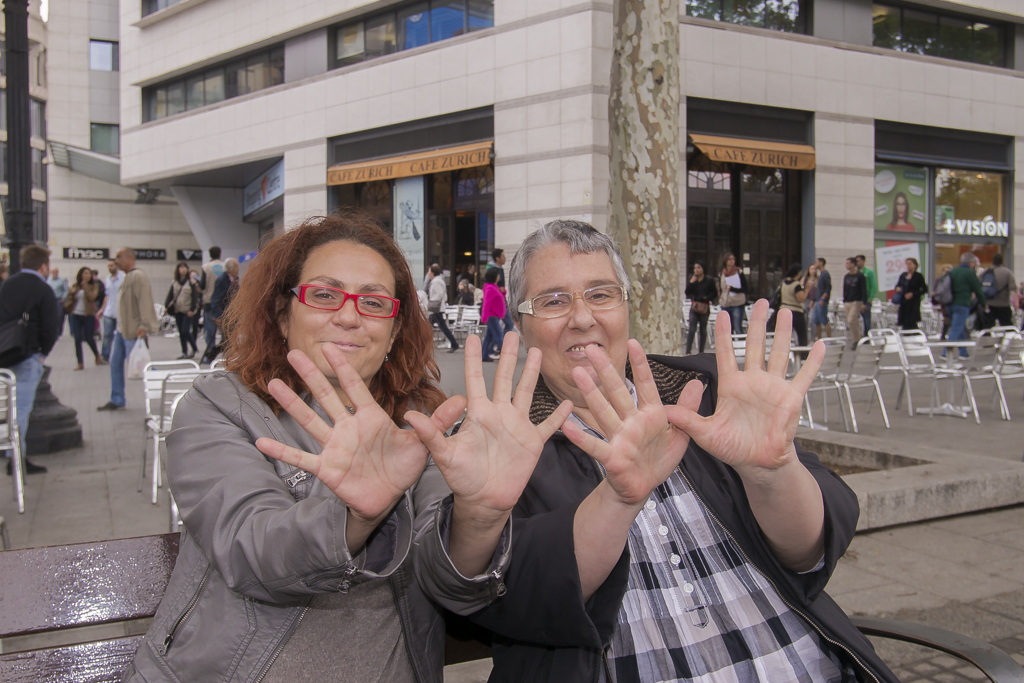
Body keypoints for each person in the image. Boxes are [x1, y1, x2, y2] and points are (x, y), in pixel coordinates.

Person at [425, 219, 897, 683]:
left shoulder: (706, 390)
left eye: (601, 294)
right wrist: (616, 499)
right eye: (553, 301)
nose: (583, 317)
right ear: (519, 322)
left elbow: (808, 553)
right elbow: (492, 595)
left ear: (627, 306)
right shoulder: (503, 441)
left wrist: (772, 470)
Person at [124, 212, 570, 683]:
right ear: (281, 314)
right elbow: (251, 552)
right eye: (324, 294)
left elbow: (451, 584)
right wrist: (352, 517)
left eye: (374, 303)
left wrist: (480, 514)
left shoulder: (421, 420)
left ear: (395, 329)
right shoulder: (221, 405)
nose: (350, 315)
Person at [1, 246, 60, 474]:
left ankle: (12, 453)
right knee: (21, 410)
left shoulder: (7, 285)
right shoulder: (43, 289)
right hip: (27, 357)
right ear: (43, 266)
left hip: (5, 354)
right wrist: (42, 353)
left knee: (6, 407)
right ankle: (17, 459)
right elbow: (50, 327)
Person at [98, 248, 159, 411]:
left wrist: (144, 326)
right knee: (115, 363)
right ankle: (117, 399)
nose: (116, 261)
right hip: (122, 330)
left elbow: (145, 301)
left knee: (144, 366)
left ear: (130, 258)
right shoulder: (127, 277)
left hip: (133, 331)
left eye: (119, 257)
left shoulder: (138, 276)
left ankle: (163, 387)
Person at [947, 252, 987, 357]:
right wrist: (984, 304)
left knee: (959, 328)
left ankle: (963, 352)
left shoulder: (953, 271)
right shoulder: (969, 273)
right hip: (962, 304)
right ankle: (946, 353)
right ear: (971, 263)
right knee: (956, 329)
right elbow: (978, 291)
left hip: (950, 304)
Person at [65, 266, 103, 370]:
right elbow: (70, 298)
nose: (87, 275)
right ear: (81, 275)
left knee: (88, 337)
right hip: (76, 314)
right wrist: (71, 293)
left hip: (88, 315)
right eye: (85, 273)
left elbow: (92, 297)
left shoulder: (94, 286)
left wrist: (85, 286)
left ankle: (96, 354)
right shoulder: (76, 285)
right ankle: (80, 362)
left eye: (88, 273)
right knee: (77, 338)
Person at [202, 258, 239, 363]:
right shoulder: (222, 280)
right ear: (229, 268)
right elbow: (216, 298)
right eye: (236, 267)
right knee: (227, 340)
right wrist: (217, 316)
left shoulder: (233, 279)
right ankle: (212, 356)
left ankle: (214, 356)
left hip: (232, 315)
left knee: (228, 339)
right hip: (224, 315)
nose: (238, 269)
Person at [165, 261, 201, 359]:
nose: (183, 269)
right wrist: (166, 306)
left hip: (187, 310)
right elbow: (170, 295)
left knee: (185, 330)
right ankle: (184, 352)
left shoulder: (191, 282)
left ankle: (194, 347)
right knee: (181, 332)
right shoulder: (175, 282)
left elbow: (194, 297)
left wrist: (192, 309)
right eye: (181, 267)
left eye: (185, 267)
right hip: (178, 310)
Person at [768, 263, 810, 347]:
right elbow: (801, 298)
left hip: (783, 309)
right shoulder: (796, 285)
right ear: (798, 273)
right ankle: (803, 355)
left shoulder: (783, 283)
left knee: (783, 334)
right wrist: (807, 289)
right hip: (796, 312)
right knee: (802, 335)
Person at [684, 260, 718, 354]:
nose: (696, 270)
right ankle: (688, 351)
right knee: (692, 328)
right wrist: (691, 283)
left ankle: (701, 352)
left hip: (704, 307)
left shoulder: (709, 280)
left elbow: (714, 293)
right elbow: (687, 292)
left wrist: (705, 298)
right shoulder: (693, 279)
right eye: (695, 268)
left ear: (703, 269)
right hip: (694, 306)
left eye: (698, 268)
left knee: (703, 329)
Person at [199, 246, 226, 360]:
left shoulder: (206, 267)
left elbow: (202, 285)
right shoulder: (225, 266)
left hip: (209, 302)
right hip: (223, 303)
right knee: (225, 333)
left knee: (210, 332)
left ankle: (209, 356)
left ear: (210, 255)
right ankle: (223, 355)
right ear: (220, 254)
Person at [426, 264, 459, 353]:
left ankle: (454, 343)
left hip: (436, 309)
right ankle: (454, 343)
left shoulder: (437, 282)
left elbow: (439, 294)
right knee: (429, 326)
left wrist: (433, 302)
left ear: (433, 272)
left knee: (435, 327)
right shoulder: (437, 281)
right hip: (437, 309)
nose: (428, 273)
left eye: (429, 271)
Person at [98, 259, 124, 362]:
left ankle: (121, 355)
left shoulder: (123, 277)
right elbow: (106, 295)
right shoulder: (107, 279)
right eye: (108, 266)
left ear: (116, 266)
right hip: (109, 311)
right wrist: (102, 309)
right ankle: (105, 356)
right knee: (107, 334)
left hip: (120, 311)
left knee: (121, 334)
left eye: (112, 266)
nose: (110, 268)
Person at [486, 248, 515, 335]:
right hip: (496, 302)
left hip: (501, 300)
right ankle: (501, 344)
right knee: (508, 323)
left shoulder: (500, 269)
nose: (505, 258)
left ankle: (488, 348)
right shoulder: (492, 270)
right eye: (503, 256)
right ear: (497, 258)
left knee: (492, 330)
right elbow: (489, 286)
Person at [718, 252, 748, 334]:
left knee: (737, 328)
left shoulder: (739, 272)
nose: (732, 261)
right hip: (725, 303)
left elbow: (745, 288)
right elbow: (721, 288)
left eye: (733, 259)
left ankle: (740, 345)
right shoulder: (722, 273)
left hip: (737, 303)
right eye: (729, 259)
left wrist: (733, 289)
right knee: (727, 330)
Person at [984, 253, 1017, 328]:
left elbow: (978, 288)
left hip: (988, 304)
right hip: (1003, 304)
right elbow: (1013, 289)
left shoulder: (986, 272)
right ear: (1003, 261)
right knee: (1007, 326)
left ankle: (988, 339)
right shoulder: (1007, 272)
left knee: (988, 327)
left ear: (992, 261)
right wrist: (1016, 303)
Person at [894, 257, 928, 330]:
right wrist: (897, 288)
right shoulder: (903, 275)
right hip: (904, 302)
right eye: (907, 264)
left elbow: (924, 289)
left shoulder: (918, 276)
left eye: (910, 264)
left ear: (915, 265)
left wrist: (913, 294)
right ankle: (905, 334)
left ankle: (914, 334)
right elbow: (898, 284)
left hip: (914, 302)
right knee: (904, 320)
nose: (908, 265)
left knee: (912, 321)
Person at [479, 266, 505, 361]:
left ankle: (484, 355)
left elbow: (499, 298)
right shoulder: (490, 288)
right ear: (495, 277)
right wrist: (484, 317)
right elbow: (486, 303)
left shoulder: (493, 287)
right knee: (498, 335)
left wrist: (503, 292)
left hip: (494, 315)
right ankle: (505, 355)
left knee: (489, 337)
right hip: (492, 315)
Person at [843, 257, 868, 346]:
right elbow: (845, 289)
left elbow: (864, 290)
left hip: (856, 301)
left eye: (848, 263)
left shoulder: (860, 276)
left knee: (851, 319)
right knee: (853, 322)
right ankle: (858, 338)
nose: (847, 265)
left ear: (853, 264)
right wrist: (844, 300)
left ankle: (856, 340)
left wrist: (864, 302)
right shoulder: (846, 276)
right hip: (847, 301)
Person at [855, 254, 877, 337]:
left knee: (866, 318)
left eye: (858, 261)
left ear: (863, 261)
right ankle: (857, 335)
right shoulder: (855, 272)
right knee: (854, 319)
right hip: (857, 299)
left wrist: (870, 298)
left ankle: (867, 335)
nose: (857, 263)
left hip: (866, 299)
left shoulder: (869, 272)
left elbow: (873, 286)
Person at [813, 257, 833, 340]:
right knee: (817, 322)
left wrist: (823, 298)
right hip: (817, 300)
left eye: (816, 262)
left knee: (824, 320)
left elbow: (828, 288)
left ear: (821, 263)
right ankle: (819, 338)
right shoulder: (820, 274)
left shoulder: (825, 274)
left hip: (822, 301)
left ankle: (829, 339)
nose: (815, 264)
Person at [47, 266, 69, 337]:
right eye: (53, 272)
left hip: (59, 300)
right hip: (50, 300)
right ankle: (53, 331)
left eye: (56, 272)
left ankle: (58, 332)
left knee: (59, 316)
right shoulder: (48, 280)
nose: (55, 274)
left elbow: (66, 290)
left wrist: (63, 297)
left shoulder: (62, 280)